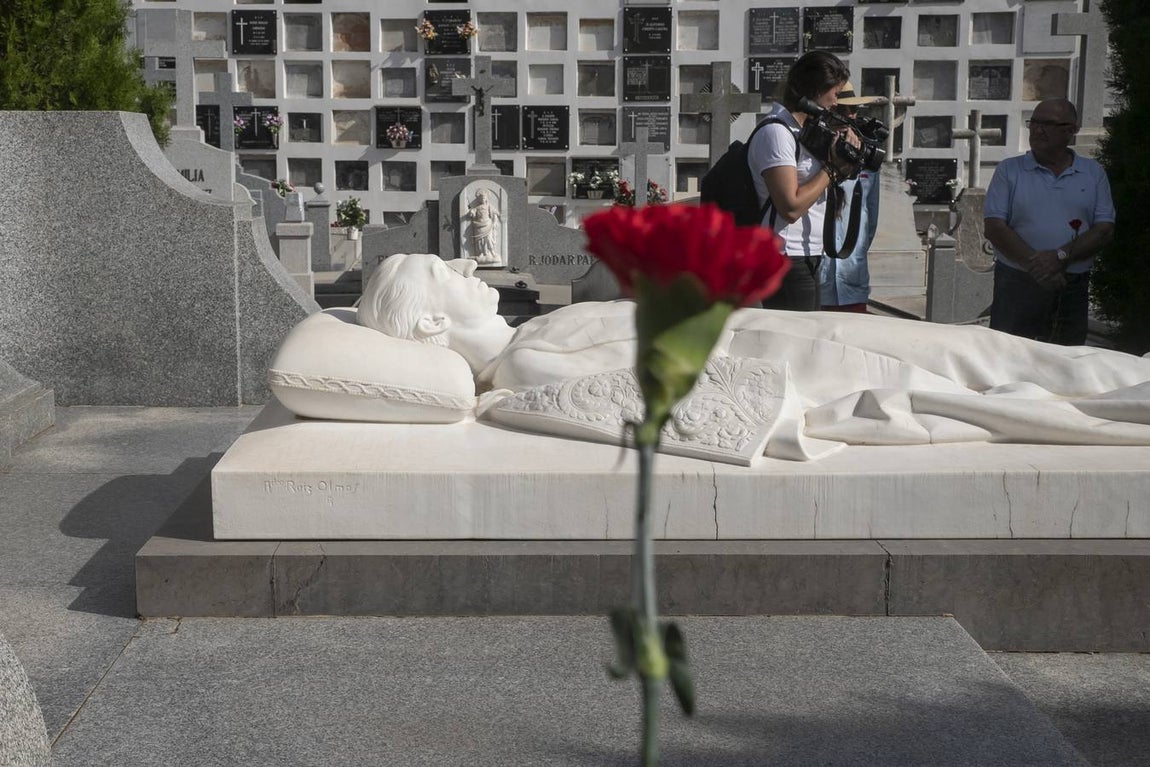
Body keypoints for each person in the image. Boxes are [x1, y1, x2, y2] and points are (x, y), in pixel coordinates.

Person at [347, 253, 1150, 451]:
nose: (461, 265)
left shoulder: (526, 340)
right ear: (426, 329)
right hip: (792, 357)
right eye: (438, 272)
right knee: (987, 363)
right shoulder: (522, 366)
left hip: (779, 331)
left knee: (988, 350)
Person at [983, 98, 1115, 345]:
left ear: (1071, 130)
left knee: (1066, 359)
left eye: (1048, 124)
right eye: (1034, 122)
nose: (1038, 129)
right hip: (1017, 282)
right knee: (1008, 354)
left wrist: (1060, 257)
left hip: (1071, 283)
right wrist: (1038, 268)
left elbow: (1104, 229)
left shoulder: (1092, 172)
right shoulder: (1009, 170)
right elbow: (995, 227)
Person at [747, 50, 859, 311]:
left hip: (806, 254)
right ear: (815, 91)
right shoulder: (777, 133)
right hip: (785, 257)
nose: (836, 102)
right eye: (834, 93)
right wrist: (831, 169)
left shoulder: (803, 133)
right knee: (794, 346)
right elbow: (790, 207)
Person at [819, 82, 883, 313]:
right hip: (818, 273)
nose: (849, 116)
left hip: (852, 275)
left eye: (853, 110)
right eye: (842, 110)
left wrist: (856, 250)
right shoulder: (813, 149)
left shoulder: (866, 156)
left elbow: (870, 216)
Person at [462, 189, 502, 265]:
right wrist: (471, 212)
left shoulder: (489, 206)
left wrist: (495, 220)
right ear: (479, 199)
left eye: (484, 198)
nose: (483, 200)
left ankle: (492, 252)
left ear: (486, 198)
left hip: (487, 224)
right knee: (480, 241)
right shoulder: (477, 208)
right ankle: (481, 253)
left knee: (488, 239)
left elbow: (495, 213)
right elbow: (472, 214)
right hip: (478, 226)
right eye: (481, 198)